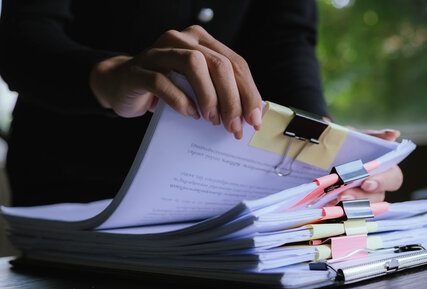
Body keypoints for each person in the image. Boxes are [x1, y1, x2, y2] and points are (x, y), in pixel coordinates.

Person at [0, 0, 402, 206]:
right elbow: (21, 36)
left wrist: (327, 152)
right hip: (73, 189)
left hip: (218, 206)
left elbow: (285, 43)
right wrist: (112, 76)